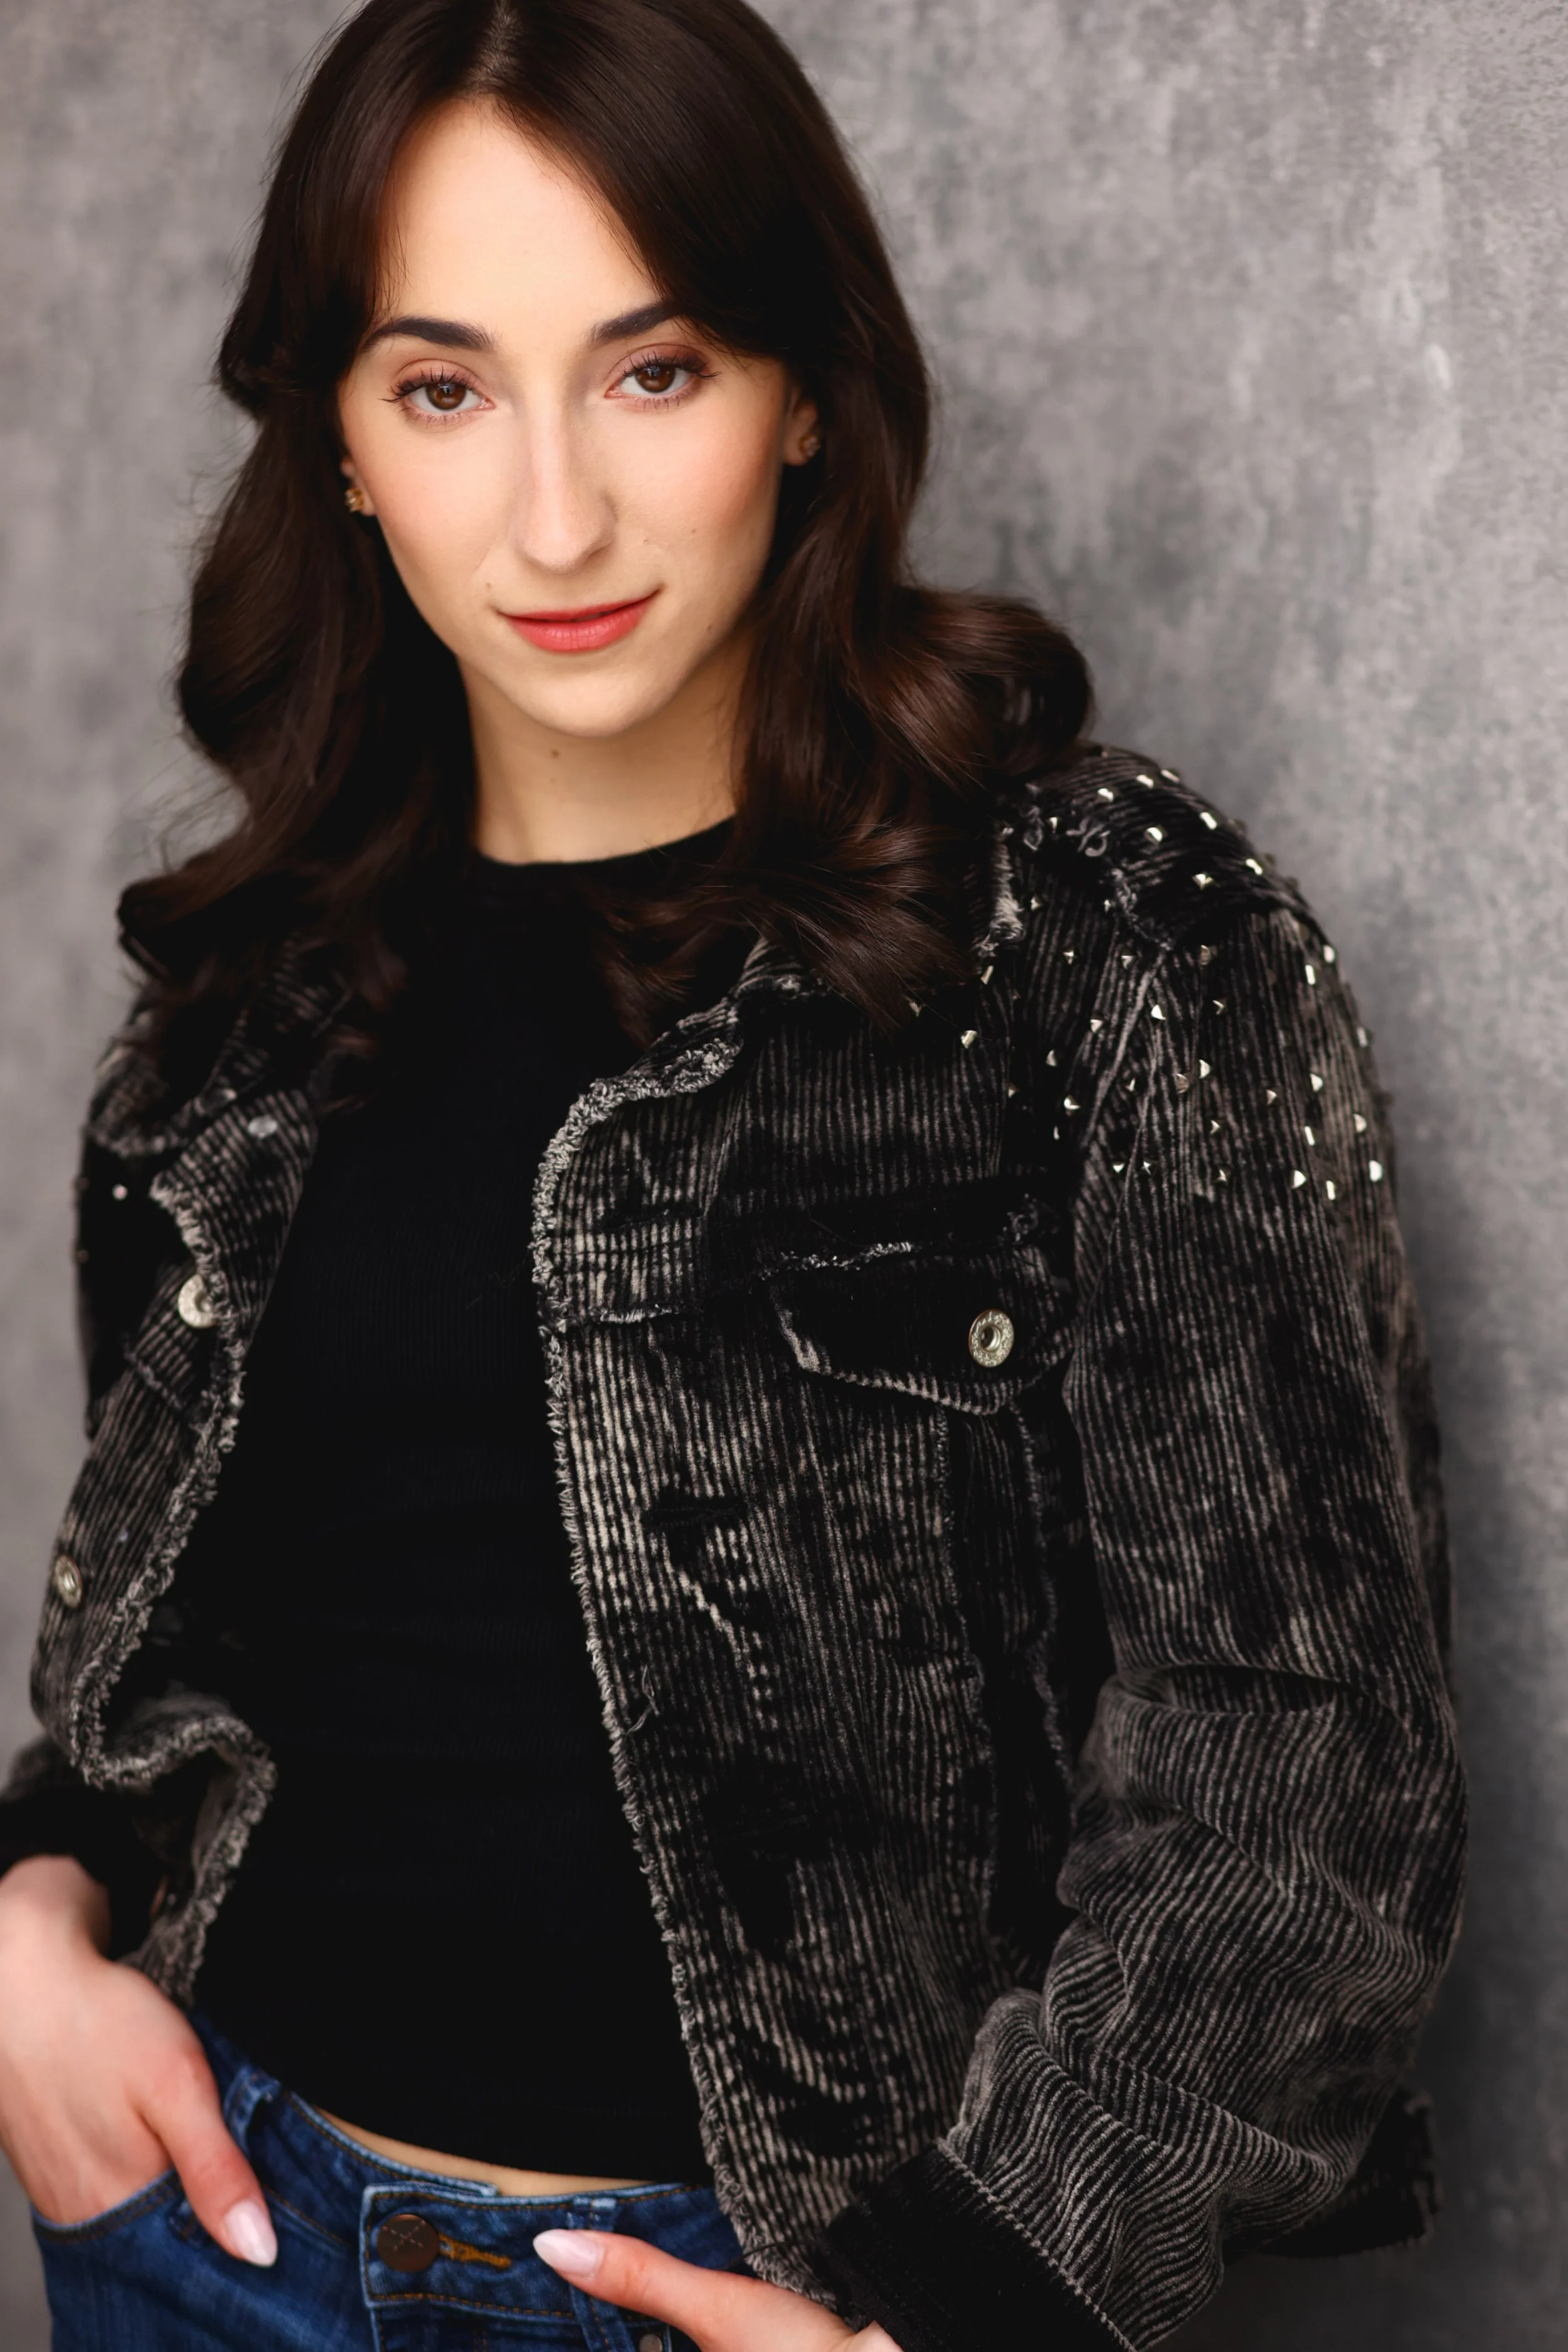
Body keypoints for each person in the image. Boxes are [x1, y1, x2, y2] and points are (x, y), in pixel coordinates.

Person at [0, 1, 1465, 2347]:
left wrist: (962, 2309)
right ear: (344, 446)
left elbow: (1303, 1754)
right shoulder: (240, 1024)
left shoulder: (1100, 938)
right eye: (444, 387)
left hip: (789, 2293)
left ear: (801, 390)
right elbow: (183, 1685)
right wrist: (27, 1922)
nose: (555, 516)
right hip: (220, 2246)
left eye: (653, 369)